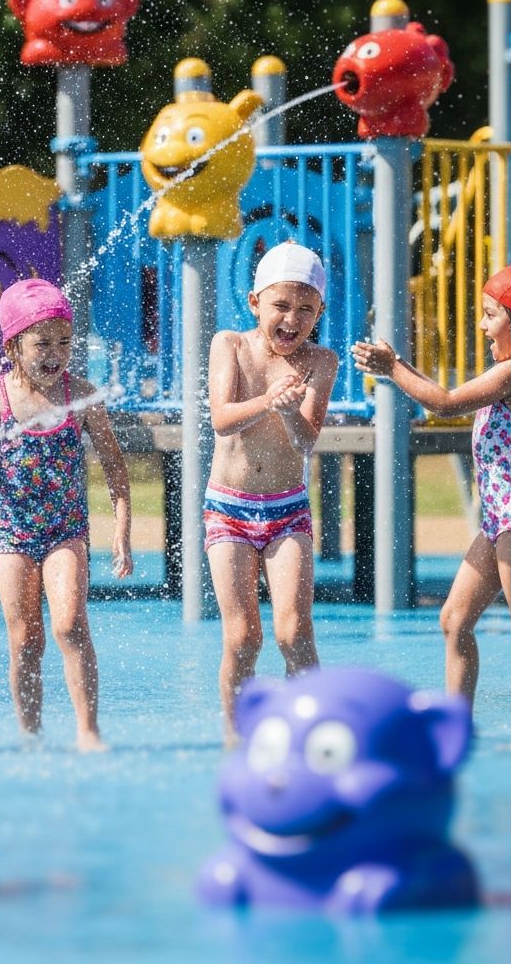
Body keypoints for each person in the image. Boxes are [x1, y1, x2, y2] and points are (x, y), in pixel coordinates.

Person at [352, 263, 511, 745]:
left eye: (492, 315)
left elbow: (446, 402)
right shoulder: (509, 370)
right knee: (453, 621)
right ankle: (456, 727)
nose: (482, 324)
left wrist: (393, 368)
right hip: (498, 520)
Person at [0, 278, 132, 752]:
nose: (56, 352)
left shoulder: (82, 394)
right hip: (12, 531)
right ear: (13, 345)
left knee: (70, 625)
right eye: (42, 343)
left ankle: (88, 731)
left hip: (65, 529)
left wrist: (122, 531)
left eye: (65, 342)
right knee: (26, 641)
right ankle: (31, 735)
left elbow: (115, 466)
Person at [205, 241, 339, 742]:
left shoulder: (322, 362)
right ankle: (238, 740)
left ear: (320, 311)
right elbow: (221, 420)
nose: (292, 319)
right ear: (255, 302)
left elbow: (307, 437)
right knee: (243, 638)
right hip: (229, 509)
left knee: (294, 633)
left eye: (306, 309)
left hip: (287, 510)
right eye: (281, 305)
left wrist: (288, 411)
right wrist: (268, 399)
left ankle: (312, 736)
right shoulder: (231, 346)